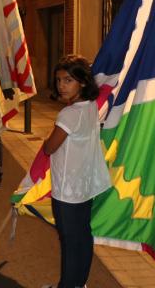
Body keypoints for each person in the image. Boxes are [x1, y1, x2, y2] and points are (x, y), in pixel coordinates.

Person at [41, 55, 111, 288]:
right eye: (59, 80)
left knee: (70, 243)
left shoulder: (68, 115)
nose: (61, 86)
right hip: (84, 186)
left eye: (68, 80)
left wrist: (45, 141)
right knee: (82, 237)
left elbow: (51, 147)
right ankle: (79, 283)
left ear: (82, 82)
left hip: (67, 191)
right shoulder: (90, 106)